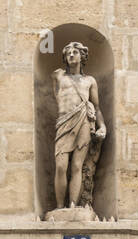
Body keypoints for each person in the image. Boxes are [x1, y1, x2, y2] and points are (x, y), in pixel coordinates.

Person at [52, 41, 106, 211]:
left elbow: (96, 107)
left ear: (82, 56)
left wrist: (102, 126)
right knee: (61, 166)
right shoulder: (58, 76)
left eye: (75, 52)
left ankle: (73, 206)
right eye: (68, 53)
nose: (71, 55)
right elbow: (57, 99)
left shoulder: (90, 81)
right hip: (64, 122)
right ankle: (60, 207)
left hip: (83, 121)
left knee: (77, 166)